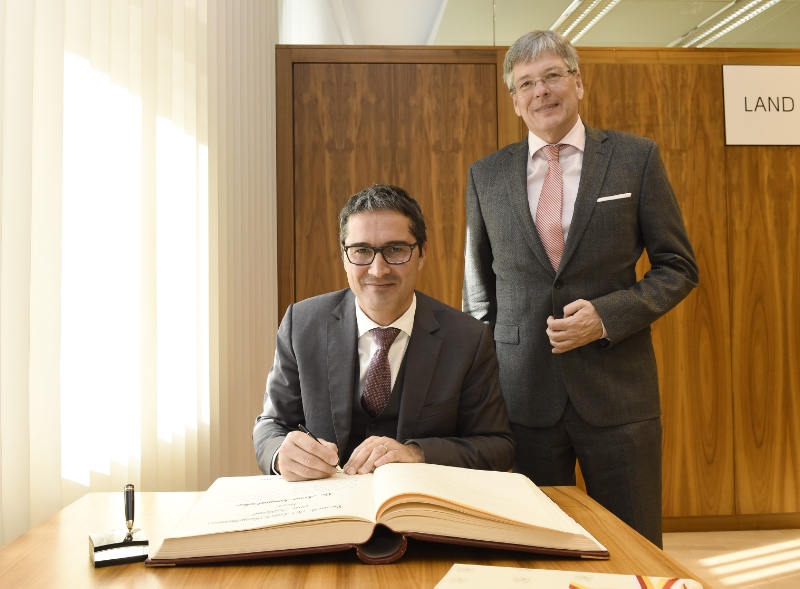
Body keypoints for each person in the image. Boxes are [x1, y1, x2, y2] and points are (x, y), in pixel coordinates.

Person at [462, 31, 699, 548]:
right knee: (536, 550)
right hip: (521, 399)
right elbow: (479, 299)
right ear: (515, 100)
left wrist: (607, 316)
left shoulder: (636, 158)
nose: (541, 91)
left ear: (578, 83)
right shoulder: (486, 176)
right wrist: (479, 399)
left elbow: (678, 267)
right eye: (526, 83)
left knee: (635, 546)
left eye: (552, 76)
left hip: (619, 394)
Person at [254, 184, 515, 482]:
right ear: (344, 256)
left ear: (422, 253)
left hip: (419, 503)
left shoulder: (468, 338)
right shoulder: (301, 324)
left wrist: (417, 454)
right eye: (362, 251)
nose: (378, 270)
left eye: (396, 250)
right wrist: (280, 454)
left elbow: (497, 447)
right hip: (327, 503)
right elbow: (271, 424)